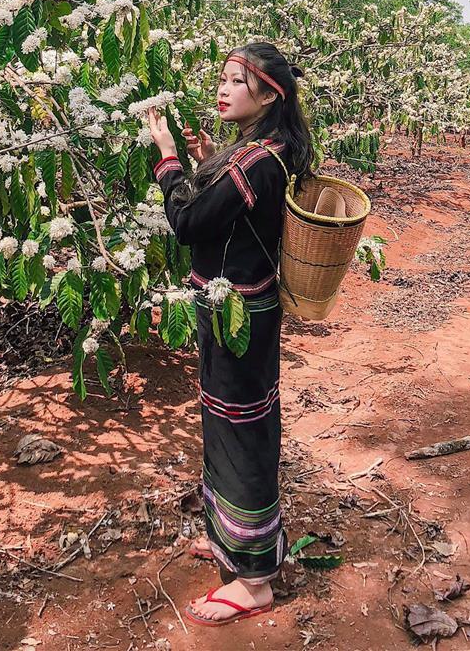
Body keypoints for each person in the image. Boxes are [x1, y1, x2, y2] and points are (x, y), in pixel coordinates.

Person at [147, 41, 313, 627]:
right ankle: (236, 540)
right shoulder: (265, 153)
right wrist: (212, 158)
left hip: (235, 315)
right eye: (222, 78)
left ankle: (254, 582)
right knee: (234, 421)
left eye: (235, 81)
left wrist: (167, 159)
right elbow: (243, 218)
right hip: (244, 309)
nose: (222, 89)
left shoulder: (256, 162)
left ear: (269, 94)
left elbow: (189, 223)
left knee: (239, 430)